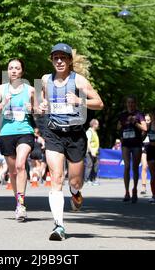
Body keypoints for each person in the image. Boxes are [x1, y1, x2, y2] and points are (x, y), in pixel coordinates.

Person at [39, 43, 104, 240]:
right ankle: (59, 226)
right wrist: (42, 106)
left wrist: (79, 101)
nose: (59, 61)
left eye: (63, 58)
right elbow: (42, 101)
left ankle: (75, 192)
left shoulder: (79, 81)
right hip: (54, 134)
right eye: (55, 58)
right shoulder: (44, 80)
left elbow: (99, 103)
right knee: (56, 178)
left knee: (75, 181)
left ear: (69, 61)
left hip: (75, 135)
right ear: (52, 60)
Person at [0, 59, 36, 222]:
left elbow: (38, 112)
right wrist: (4, 102)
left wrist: (33, 110)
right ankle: (18, 202)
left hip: (25, 131)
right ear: (8, 71)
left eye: (17, 68)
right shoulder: (1, 89)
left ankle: (21, 204)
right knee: (13, 172)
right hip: (7, 133)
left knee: (20, 165)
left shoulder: (30, 90)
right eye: (11, 68)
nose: (14, 71)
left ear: (22, 71)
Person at [117, 95, 147, 203]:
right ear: (126, 103)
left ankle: (134, 189)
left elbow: (145, 128)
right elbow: (118, 127)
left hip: (136, 144)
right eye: (129, 102)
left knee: (134, 167)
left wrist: (135, 122)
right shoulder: (122, 115)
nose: (130, 104)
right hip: (125, 143)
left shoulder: (139, 114)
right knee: (127, 166)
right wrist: (125, 122)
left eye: (132, 102)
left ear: (135, 103)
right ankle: (126, 192)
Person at [84, 119, 100, 186]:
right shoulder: (89, 132)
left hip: (95, 152)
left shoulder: (94, 132)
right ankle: (86, 180)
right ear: (94, 124)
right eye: (97, 124)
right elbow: (87, 142)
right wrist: (91, 151)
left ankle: (93, 180)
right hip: (90, 152)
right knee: (89, 166)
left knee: (95, 166)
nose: (98, 125)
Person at [140, 113, 151, 194]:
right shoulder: (141, 129)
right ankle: (143, 187)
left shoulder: (154, 129)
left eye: (148, 120)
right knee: (144, 166)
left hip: (152, 148)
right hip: (143, 148)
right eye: (145, 120)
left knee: (153, 169)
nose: (146, 122)